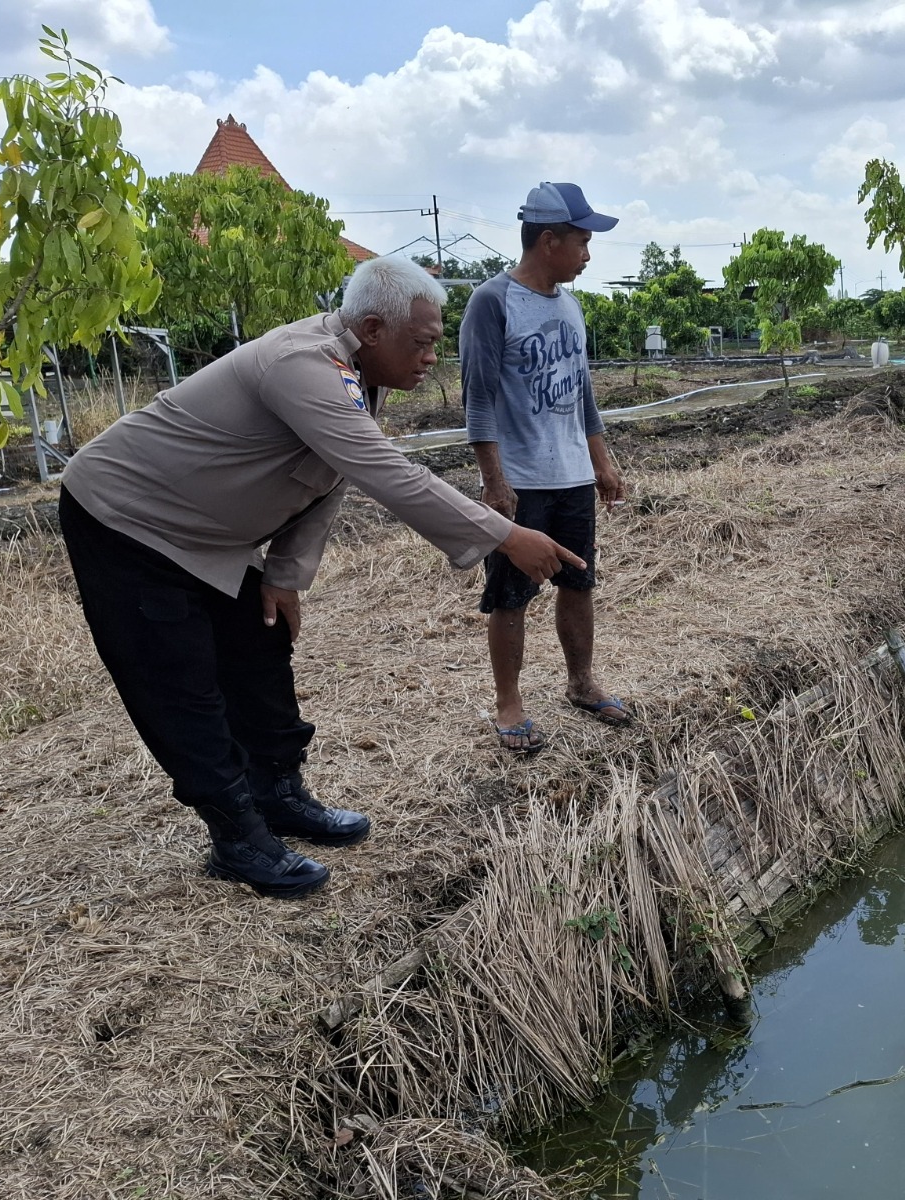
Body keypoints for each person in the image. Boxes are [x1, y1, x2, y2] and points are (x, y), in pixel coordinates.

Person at [59, 256, 584, 899]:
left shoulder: (361, 373)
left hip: (211, 537)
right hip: (128, 520)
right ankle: (236, 834)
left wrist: (284, 574)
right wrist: (507, 534)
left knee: (260, 649)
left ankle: (278, 794)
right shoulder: (302, 366)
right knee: (179, 680)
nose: (430, 359)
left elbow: (328, 478)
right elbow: (381, 471)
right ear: (371, 327)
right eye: (422, 344)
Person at [461, 182, 630, 754]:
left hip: (571, 477)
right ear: (549, 240)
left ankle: (581, 684)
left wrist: (600, 461)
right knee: (510, 593)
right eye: (582, 240)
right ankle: (509, 704)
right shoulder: (492, 302)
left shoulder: (571, 305)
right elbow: (479, 399)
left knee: (578, 581)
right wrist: (494, 480)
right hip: (521, 480)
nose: (588, 252)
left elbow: (582, 392)